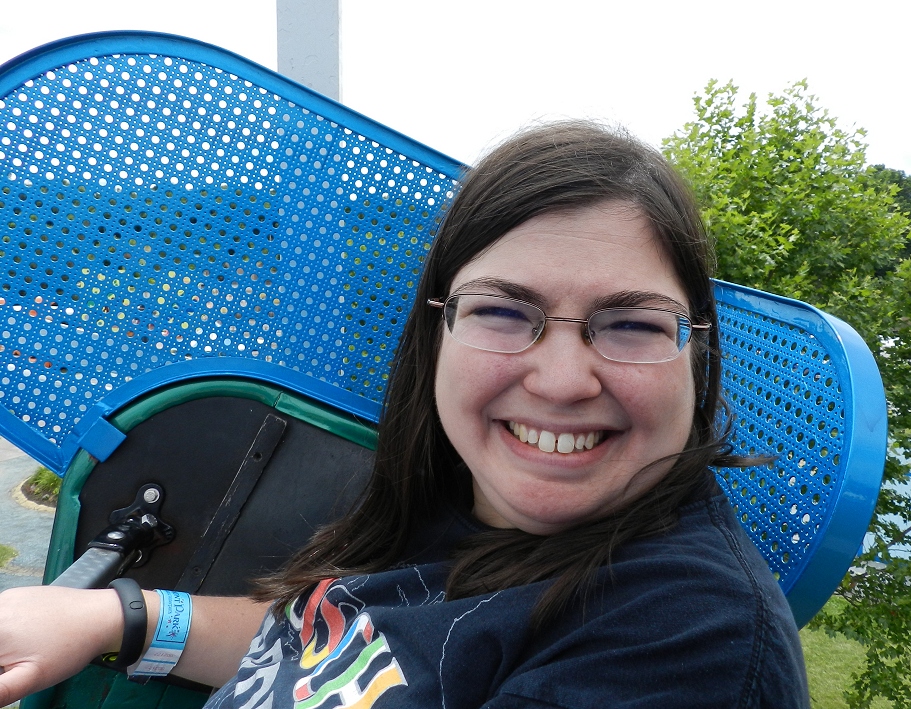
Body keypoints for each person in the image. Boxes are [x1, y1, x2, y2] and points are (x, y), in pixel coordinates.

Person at [0, 122, 810, 708]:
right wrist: (120, 612)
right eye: (503, 311)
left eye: (632, 324)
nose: (563, 379)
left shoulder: (685, 640)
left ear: (697, 352)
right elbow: (341, 649)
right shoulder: (455, 492)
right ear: (437, 333)